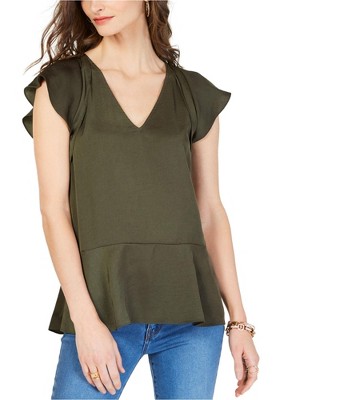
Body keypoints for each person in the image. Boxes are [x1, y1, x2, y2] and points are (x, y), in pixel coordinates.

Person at [22, 1, 260, 399]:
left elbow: (210, 212)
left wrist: (239, 321)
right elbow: (54, 210)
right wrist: (85, 321)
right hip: (102, 309)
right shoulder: (63, 86)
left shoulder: (194, 93)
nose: (95, 5)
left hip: (192, 319)